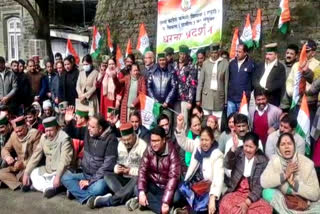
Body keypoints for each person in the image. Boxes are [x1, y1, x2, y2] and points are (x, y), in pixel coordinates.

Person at [61, 109, 118, 205]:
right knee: (65, 178)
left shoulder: (111, 139)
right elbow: (71, 132)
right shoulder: (88, 132)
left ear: (100, 129)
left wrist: (90, 181)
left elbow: (107, 166)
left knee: (99, 188)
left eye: (92, 127)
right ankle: (88, 198)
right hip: (85, 174)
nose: (88, 128)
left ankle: (77, 192)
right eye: (88, 126)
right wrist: (68, 122)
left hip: (99, 178)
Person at [88, 123, 147, 208]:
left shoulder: (143, 146)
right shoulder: (120, 144)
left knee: (138, 179)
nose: (126, 142)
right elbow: (115, 162)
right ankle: (128, 197)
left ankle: (110, 200)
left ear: (134, 135)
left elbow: (144, 171)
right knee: (107, 175)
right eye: (124, 140)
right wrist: (116, 168)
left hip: (134, 179)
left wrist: (129, 171)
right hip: (122, 178)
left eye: (128, 139)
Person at [261, 133, 320, 213]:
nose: (286, 146)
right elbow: (263, 182)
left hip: (304, 203)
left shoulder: (307, 164)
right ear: (278, 148)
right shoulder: (274, 161)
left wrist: (294, 184)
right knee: (266, 192)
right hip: (284, 201)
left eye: (289, 143)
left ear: (294, 146)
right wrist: (285, 175)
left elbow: (315, 194)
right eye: (283, 144)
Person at [220, 132, 272, 214]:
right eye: (246, 146)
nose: (247, 149)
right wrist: (233, 148)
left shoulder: (262, 161)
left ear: (257, 148)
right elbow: (227, 164)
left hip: (252, 195)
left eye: (251, 147)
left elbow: (259, 185)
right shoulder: (238, 152)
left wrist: (247, 203)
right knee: (225, 204)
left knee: (266, 209)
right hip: (236, 191)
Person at [22, 117, 73, 198]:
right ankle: (50, 188)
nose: (48, 133)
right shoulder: (43, 138)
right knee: (33, 173)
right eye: (46, 131)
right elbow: (36, 155)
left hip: (62, 170)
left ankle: (52, 187)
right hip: (48, 170)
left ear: (57, 128)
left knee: (65, 177)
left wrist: (58, 176)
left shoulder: (64, 138)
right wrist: (26, 172)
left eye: (51, 130)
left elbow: (65, 160)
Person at [177, 127, 224, 214]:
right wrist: (179, 129)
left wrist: (213, 197)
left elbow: (218, 178)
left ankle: (188, 210)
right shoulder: (197, 147)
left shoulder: (217, 155)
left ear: (212, 140)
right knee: (177, 195)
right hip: (194, 183)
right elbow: (184, 143)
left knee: (199, 210)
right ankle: (187, 208)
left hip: (207, 189)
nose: (204, 143)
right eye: (202, 139)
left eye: (207, 140)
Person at [136, 126, 181, 214]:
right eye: (152, 141)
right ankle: (165, 210)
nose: (154, 144)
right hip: (153, 185)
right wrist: (141, 192)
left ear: (164, 140)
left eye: (157, 141)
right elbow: (142, 170)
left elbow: (173, 178)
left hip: (166, 187)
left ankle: (146, 203)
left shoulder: (172, 151)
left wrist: (165, 201)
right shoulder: (149, 149)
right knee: (137, 189)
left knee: (177, 197)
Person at [0, 116, 41, 190]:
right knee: (1, 173)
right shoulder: (13, 135)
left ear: (26, 126)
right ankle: (19, 184)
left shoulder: (35, 134)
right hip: (17, 166)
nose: (18, 134)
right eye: (16, 131)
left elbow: (36, 155)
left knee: (26, 176)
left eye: (20, 130)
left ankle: (13, 182)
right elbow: (5, 149)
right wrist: (7, 157)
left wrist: (24, 164)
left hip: (30, 166)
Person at [286, 39, 320, 121]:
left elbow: (316, 84)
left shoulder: (318, 65)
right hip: (296, 102)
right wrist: (292, 92)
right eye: (302, 50)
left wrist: (306, 93)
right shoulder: (296, 65)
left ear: (313, 52)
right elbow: (290, 81)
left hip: (310, 103)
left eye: (307, 51)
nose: (304, 53)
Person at [196, 44, 229, 123]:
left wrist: (225, 100)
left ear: (219, 52)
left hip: (219, 98)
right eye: (212, 53)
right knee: (206, 121)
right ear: (209, 53)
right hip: (206, 97)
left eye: (216, 53)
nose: (214, 55)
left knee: (217, 122)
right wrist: (198, 98)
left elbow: (226, 83)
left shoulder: (225, 63)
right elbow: (201, 82)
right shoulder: (205, 63)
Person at [227, 44, 255, 116]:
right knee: (231, 121)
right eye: (236, 51)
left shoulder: (251, 64)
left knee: (242, 122)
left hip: (243, 100)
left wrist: (247, 92)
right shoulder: (232, 63)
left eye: (239, 52)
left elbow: (253, 82)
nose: (237, 53)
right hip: (231, 99)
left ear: (245, 53)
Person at [173, 45, 197, 127]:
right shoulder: (174, 64)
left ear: (187, 55)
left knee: (184, 121)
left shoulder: (191, 66)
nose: (182, 56)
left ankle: (185, 138)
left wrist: (190, 100)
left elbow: (193, 84)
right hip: (175, 97)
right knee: (176, 120)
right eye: (181, 53)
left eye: (184, 54)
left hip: (185, 98)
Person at [280, 44, 300, 112]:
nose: (288, 55)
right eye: (287, 53)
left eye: (291, 54)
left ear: (296, 56)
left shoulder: (298, 67)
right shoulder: (279, 65)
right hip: (278, 102)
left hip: (292, 103)